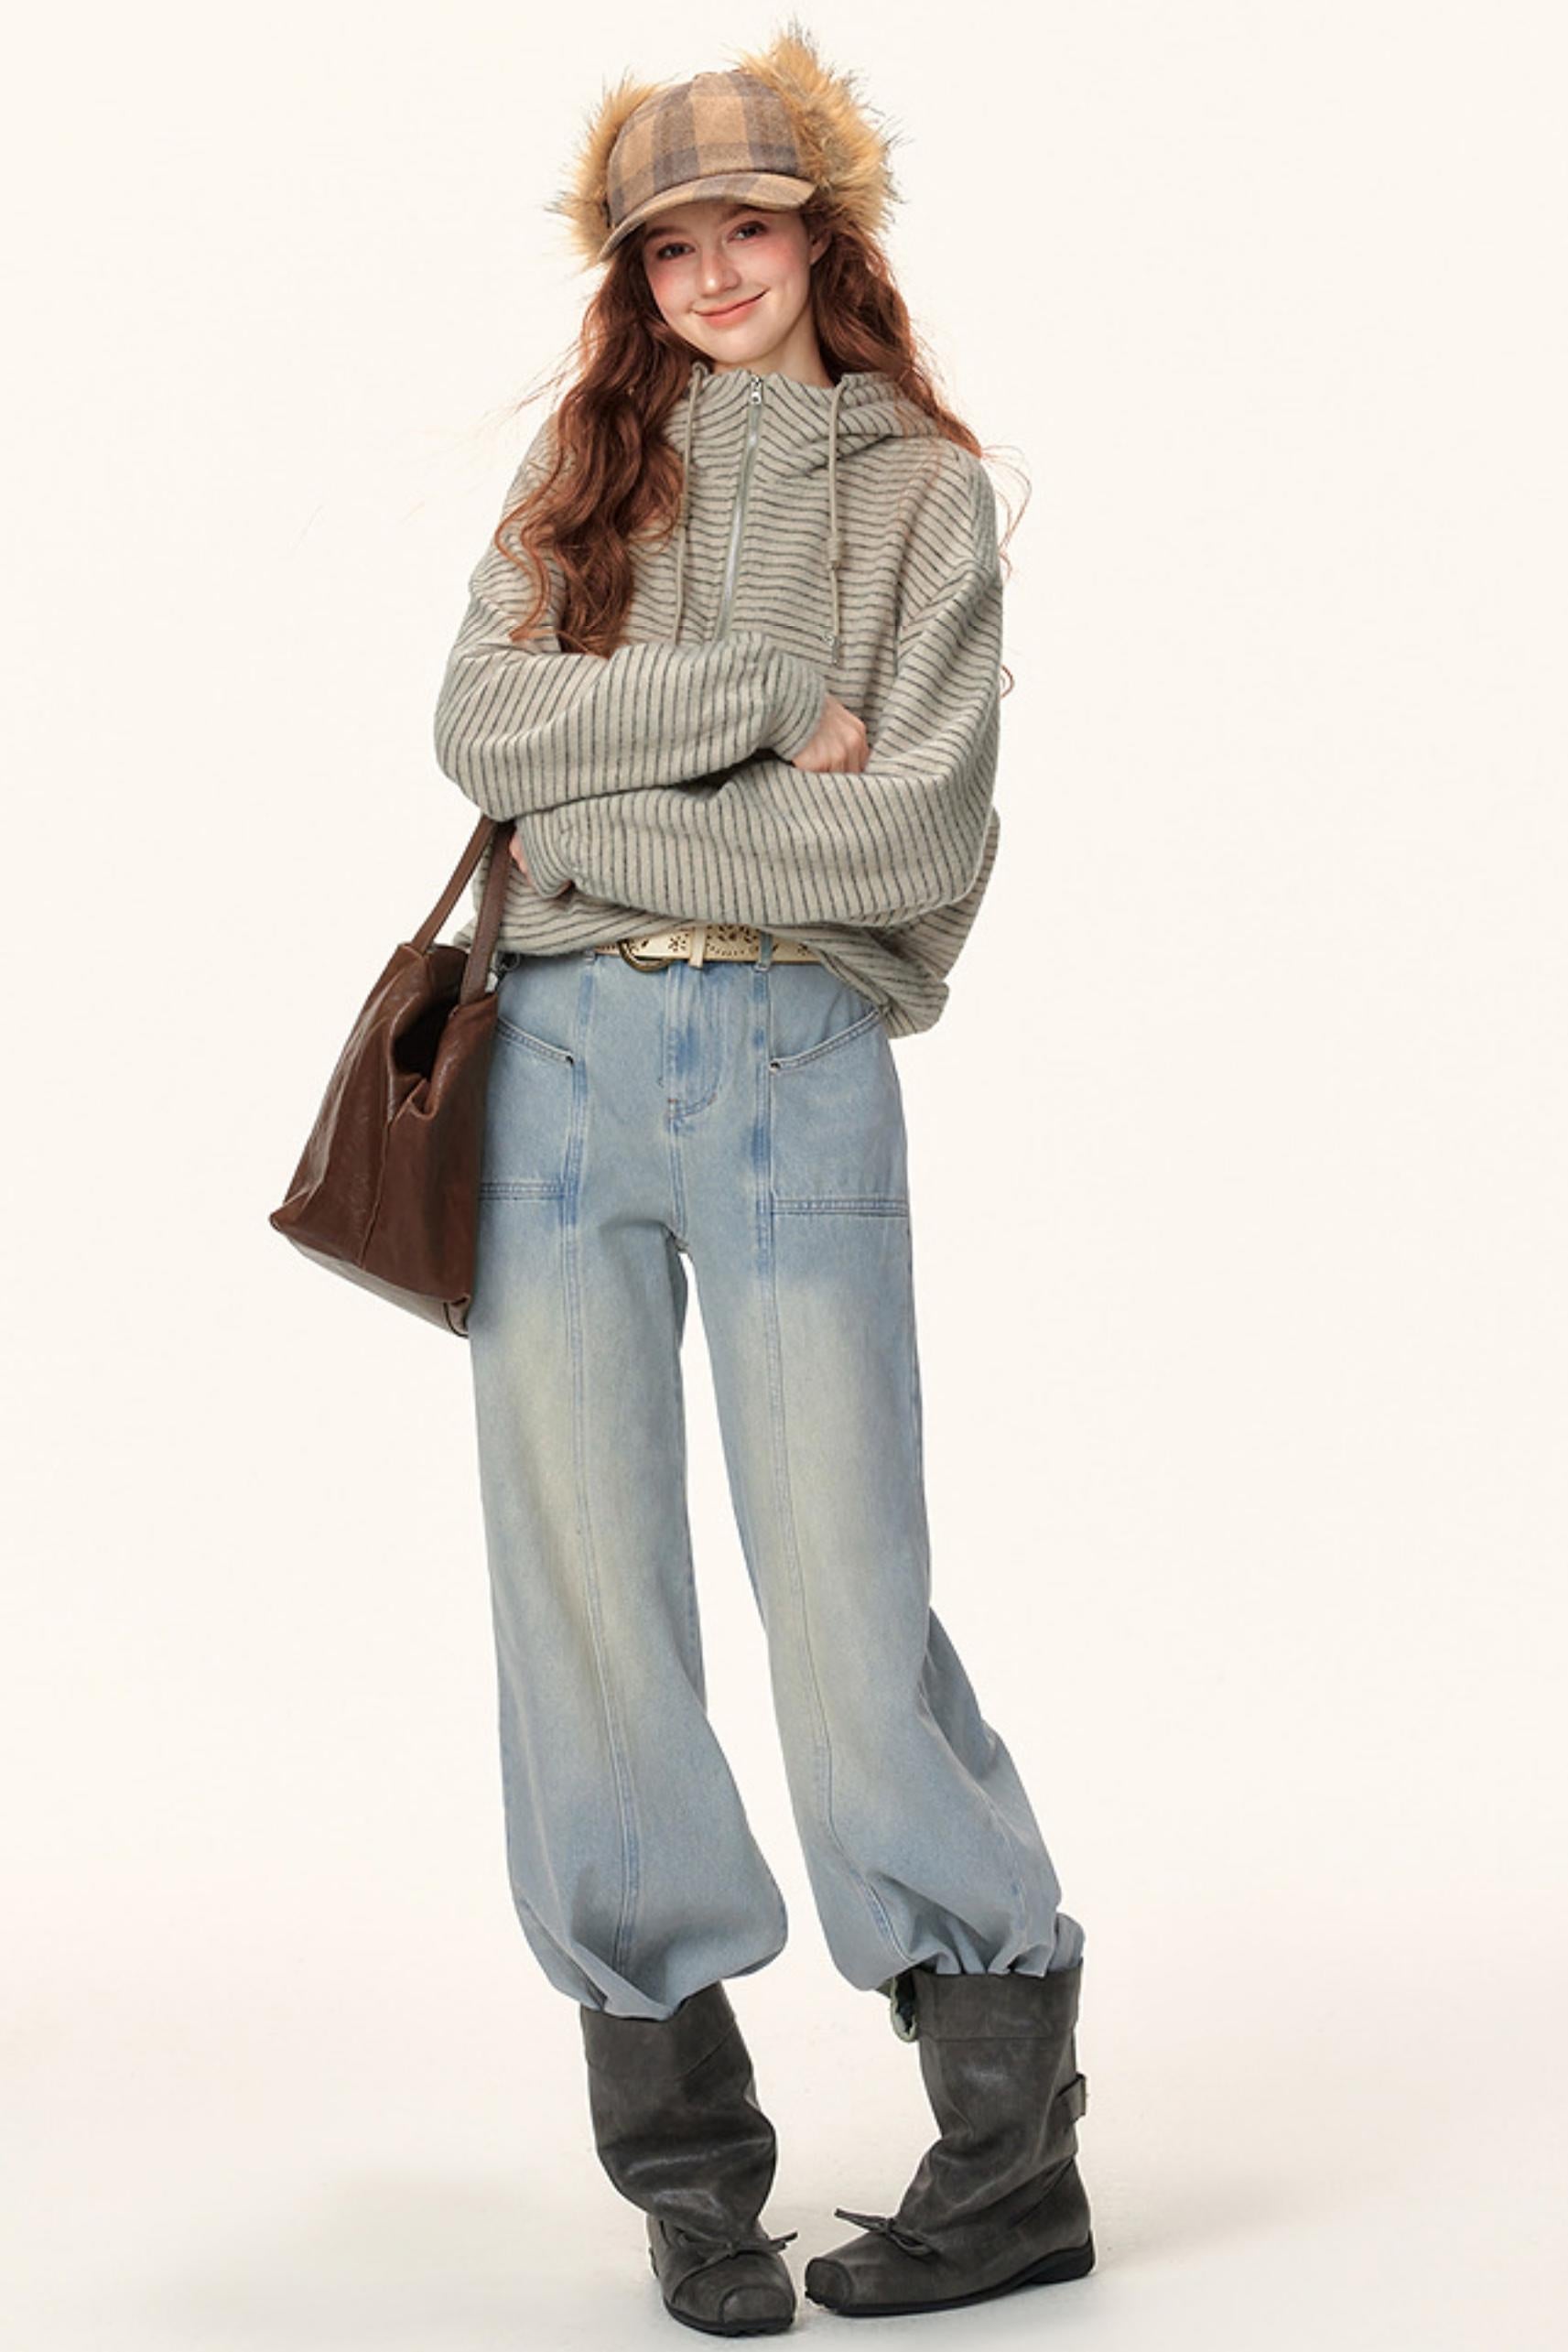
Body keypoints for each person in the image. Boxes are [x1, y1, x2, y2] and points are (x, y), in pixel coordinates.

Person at [431, 22, 1095, 2334]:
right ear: (631, 272)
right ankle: (685, 2167)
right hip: (555, 1072)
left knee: (842, 1591)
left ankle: (1009, 2142)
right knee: (583, 1603)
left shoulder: (924, 498)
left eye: (750, 226)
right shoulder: (583, 474)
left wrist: (602, 817)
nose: (712, 272)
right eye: (668, 244)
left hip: (799, 1057)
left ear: (826, 233)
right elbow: (478, 735)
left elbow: (910, 834)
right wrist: (733, 698)